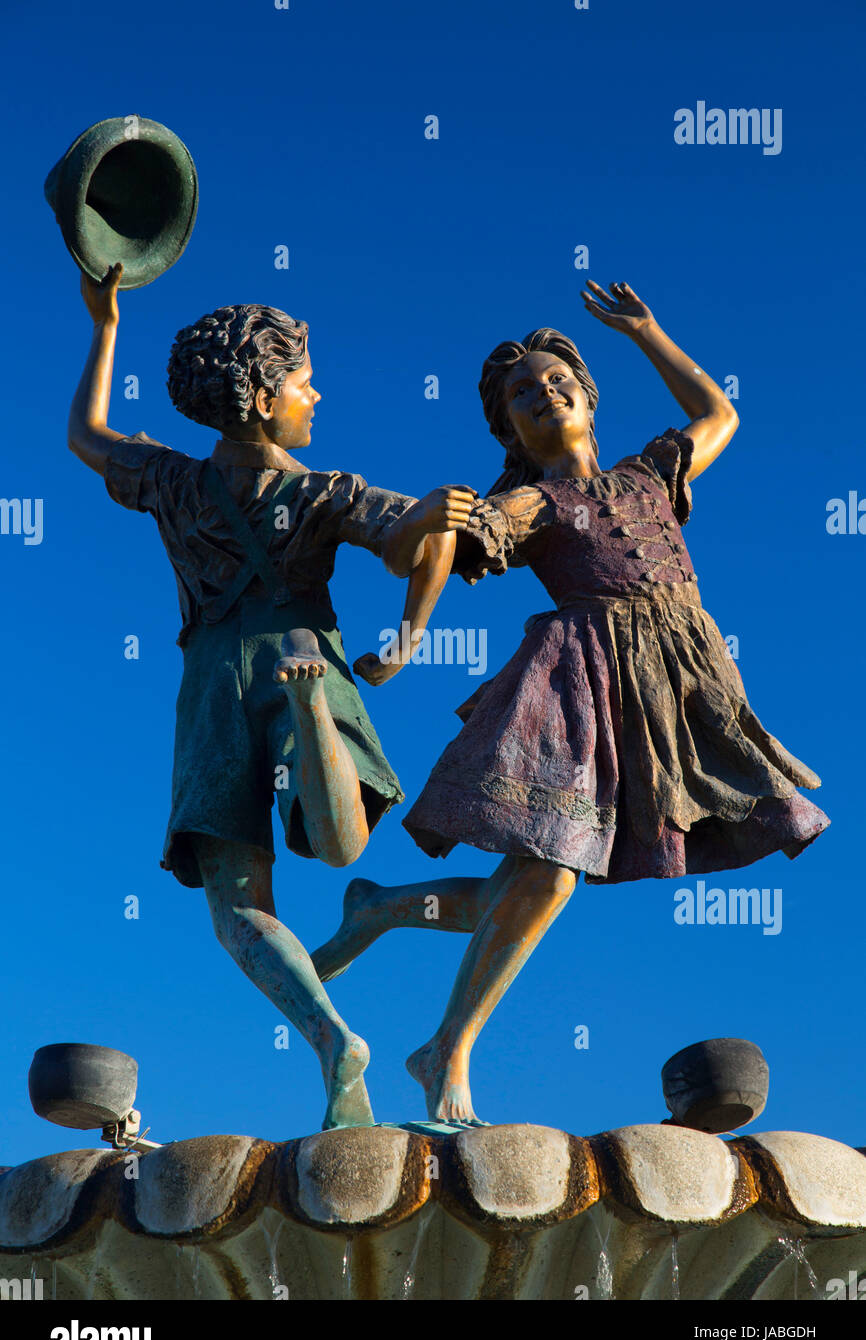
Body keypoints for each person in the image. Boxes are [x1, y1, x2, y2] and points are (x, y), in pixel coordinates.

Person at [312, 279, 830, 1126]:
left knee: (536, 882)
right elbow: (448, 535)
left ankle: (385, 909)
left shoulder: (650, 473)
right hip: (577, 686)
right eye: (523, 395)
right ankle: (447, 1047)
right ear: (508, 429)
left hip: (673, 691)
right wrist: (410, 639)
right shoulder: (532, 502)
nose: (543, 395)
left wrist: (650, 333)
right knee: (551, 874)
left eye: (558, 382)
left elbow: (719, 415)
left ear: (588, 398)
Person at [67, 262, 476, 1129]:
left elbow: (87, 433)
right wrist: (406, 640)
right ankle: (310, 717)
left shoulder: (173, 482)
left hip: (211, 678)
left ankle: (332, 1040)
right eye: (302, 382)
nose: (316, 396)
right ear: (260, 396)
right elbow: (422, 543)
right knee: (339, 849)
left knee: (238, 907)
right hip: (305, 655)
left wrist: (105, 325)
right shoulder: (328, 493)